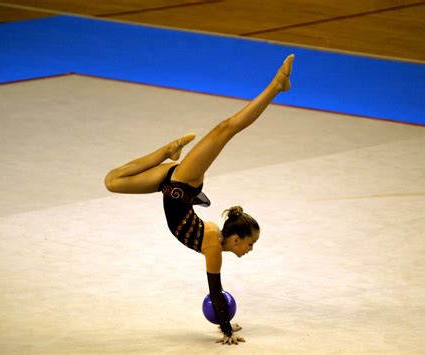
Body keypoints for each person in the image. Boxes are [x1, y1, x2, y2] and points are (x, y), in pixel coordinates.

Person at [104, 54, 294, 345]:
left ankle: (166, 151)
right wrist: (227, 331)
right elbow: (215, 291)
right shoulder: (214, 246)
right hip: (183, 182)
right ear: (236, 238)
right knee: (225, 129)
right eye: (250, 242)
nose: (250, 249)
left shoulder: (215, 239)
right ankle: (276, 86)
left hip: (169, 187)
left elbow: (216, 294)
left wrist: (226, 322)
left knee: (112, 182)